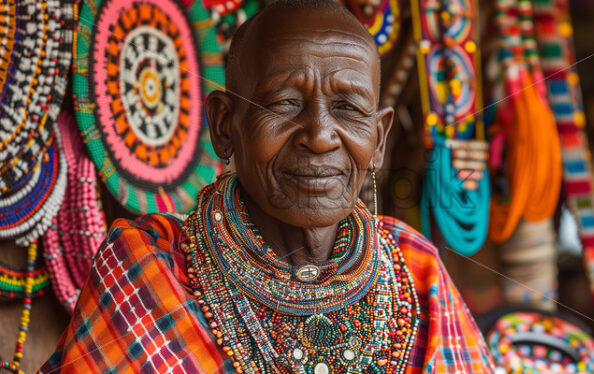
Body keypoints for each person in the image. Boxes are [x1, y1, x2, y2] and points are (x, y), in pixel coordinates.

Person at [38, 1, 496, 372]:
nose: (319, 135)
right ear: (224, 125)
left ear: (378, 140)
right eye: (284, 103)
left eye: (348, 109)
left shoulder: (414, 269)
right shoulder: (152, 264)